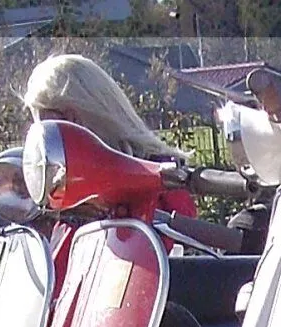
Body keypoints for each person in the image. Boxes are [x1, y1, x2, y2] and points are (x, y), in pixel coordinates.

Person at [23, 54, 197, 218]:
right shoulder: (64, 200)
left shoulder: (162, 181)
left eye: (46, 124)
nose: (41, 141)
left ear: (72, 118)